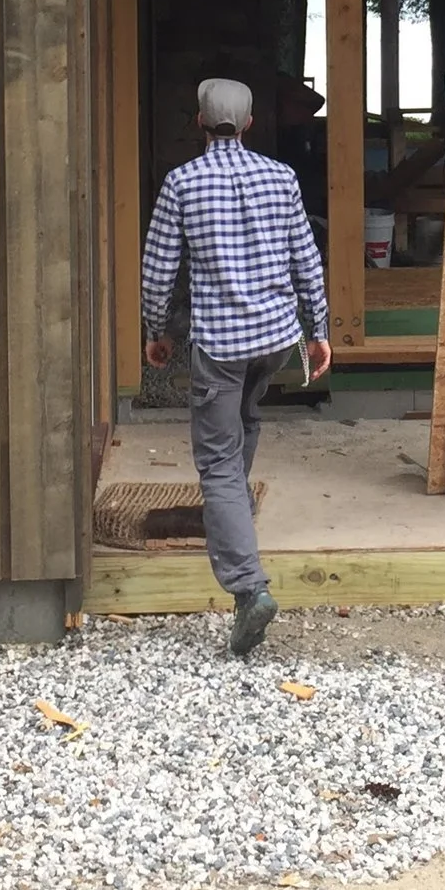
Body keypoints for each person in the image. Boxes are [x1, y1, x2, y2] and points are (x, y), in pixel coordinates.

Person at [141, 77, 333, 657]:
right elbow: (306, 258)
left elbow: (159, 270)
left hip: (220, 346)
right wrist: (318, 330)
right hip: (274, 339)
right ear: (249, 124)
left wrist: (156, 330)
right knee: (246, 421)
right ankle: (236, 525)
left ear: (200, 122)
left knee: (219, 463)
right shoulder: (282, 177)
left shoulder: (182, 183)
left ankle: (249, 589)